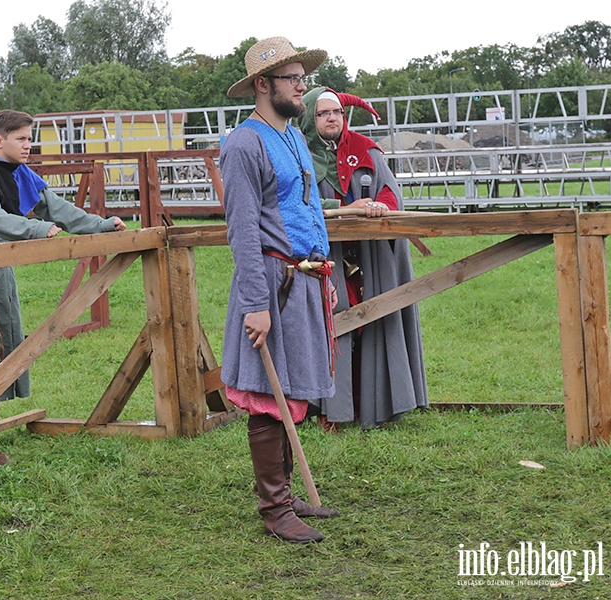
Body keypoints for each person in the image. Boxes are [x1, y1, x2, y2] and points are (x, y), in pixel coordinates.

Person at [0, 109, 126, 481]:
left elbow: (56, 208)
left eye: (30, 138)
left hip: (1, 271)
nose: (29, 145)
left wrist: (101, 225)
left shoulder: (18, 173)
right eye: (22, 139)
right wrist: (34, 228)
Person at [220, 37, 341, 544]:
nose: (302, 86)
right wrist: (255, 304)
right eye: (293, 79)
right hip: (270, 282)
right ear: (263, 85)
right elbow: (242, 229)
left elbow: (309, 208)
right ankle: (274, 510)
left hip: (303, 276)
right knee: (269, 396)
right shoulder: (244, 144)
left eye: (302, 77)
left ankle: (288, 495)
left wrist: (323, 273)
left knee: (291, 390)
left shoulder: (292, 135)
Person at [297, 88, 428, 429]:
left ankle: (375, 407)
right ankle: (331, 410)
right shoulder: (298, 156)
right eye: (323, 113)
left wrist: (380, 205)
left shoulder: (365, 150)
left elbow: (390, 191)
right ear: (310, 118)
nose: (332, 118)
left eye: (337, 112)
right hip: (326, 253)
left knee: (375, 321)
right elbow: (297, 204)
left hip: (370, 257)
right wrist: (344, 209)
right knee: (334, 322)